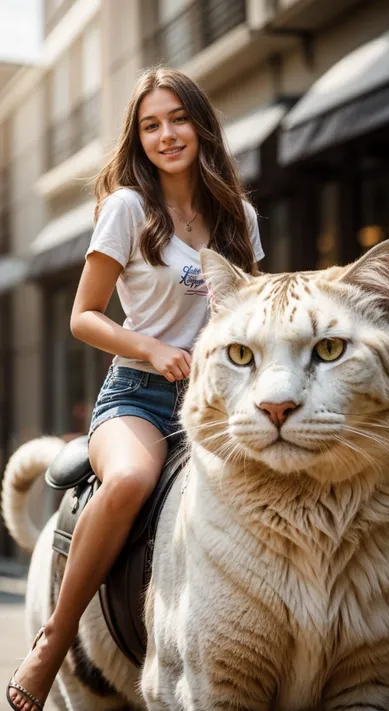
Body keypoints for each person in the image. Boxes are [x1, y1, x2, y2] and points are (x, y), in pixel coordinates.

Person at [7, 65, 264, 711]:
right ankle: (53, 639)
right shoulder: (125, 207)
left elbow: (252, 309)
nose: (166, 134)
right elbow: (83, 315)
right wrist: (152, 346)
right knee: (126, 483)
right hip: (139, 396)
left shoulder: (240, 215)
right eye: (151, 124)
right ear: (138, 137)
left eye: (177, 118)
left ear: (201, 125)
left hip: (220, 402)